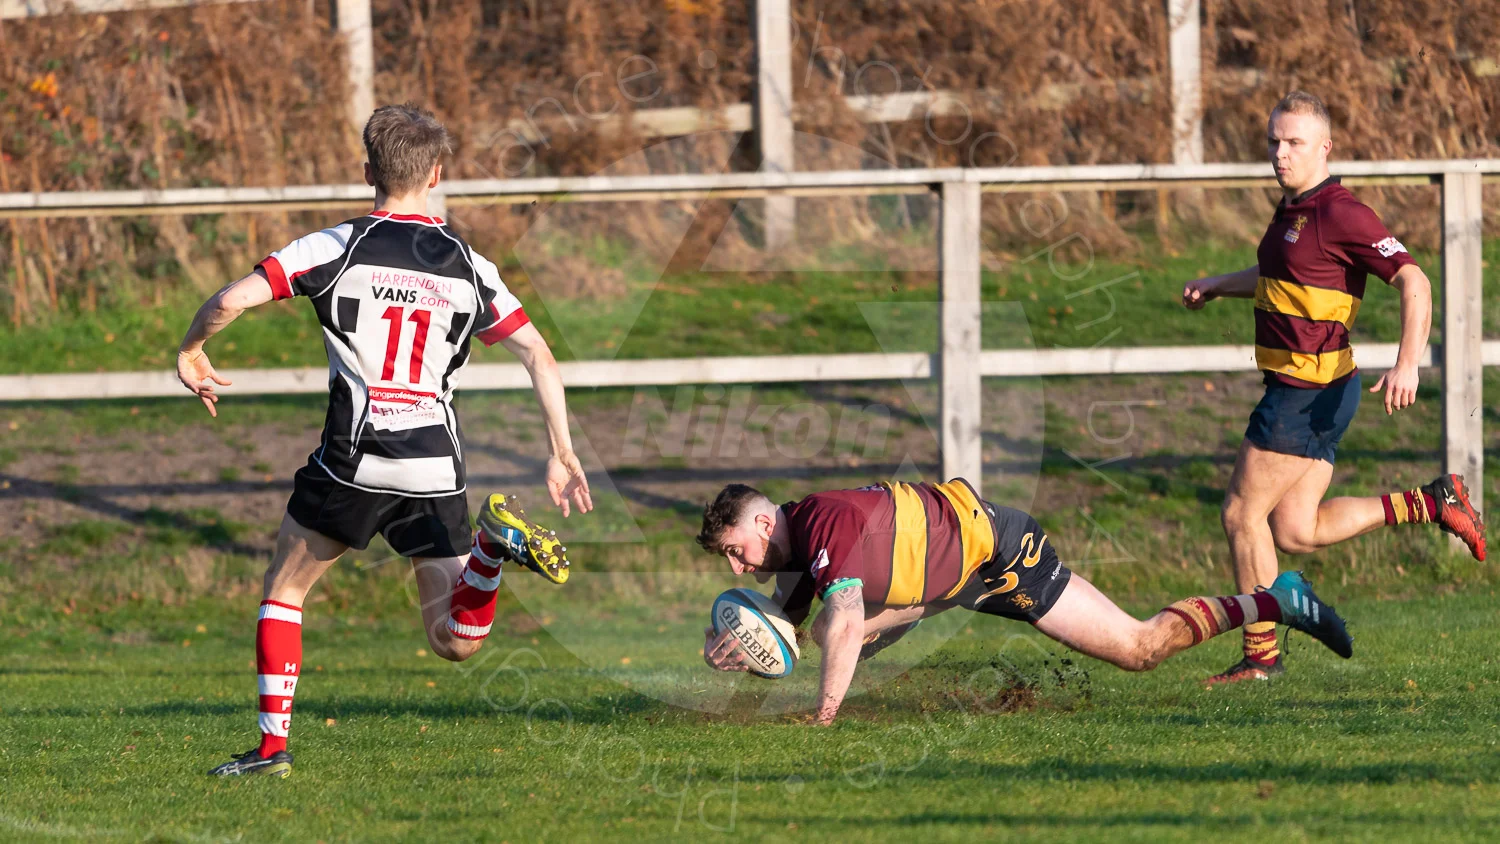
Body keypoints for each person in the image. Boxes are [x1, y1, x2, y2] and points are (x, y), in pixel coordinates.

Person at [178, 104, 593, 778]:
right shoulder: (469, 265)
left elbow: (230, 300)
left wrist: (194, 346)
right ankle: (489, 553)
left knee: (284, 592)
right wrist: (562, 451)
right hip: (435, 471)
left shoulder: (333, 247)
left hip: (355, 462)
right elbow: (539, 357)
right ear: (436, 173)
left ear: (368, 169)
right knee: (453, 642)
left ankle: (271, 750)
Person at [1180, 91, 1484, 685]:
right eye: (1273, 141)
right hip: (1323, 387)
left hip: (1304, 391)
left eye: (1293, 143)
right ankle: (1433, 502)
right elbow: (1278, 277)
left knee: (1242, 514)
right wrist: (1218, 284)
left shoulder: (1340, 212)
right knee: (1297, 529)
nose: (1279, 153)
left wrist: (1408, 363)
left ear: (1325, 147)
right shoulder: (1294, 208)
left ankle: (1260, 660)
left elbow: (1414, 281)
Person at [696, 481, 1352, 726]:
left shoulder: (826, 525)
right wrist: (741, 652)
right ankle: (1273, 600)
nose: (737, 568)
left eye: (735, 551)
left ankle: (1273, 600)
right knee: (838, 636)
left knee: (1138, 647)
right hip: (955, 578)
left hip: (1001, 554)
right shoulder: (800, 551)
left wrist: (825, 715)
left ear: (760, 525)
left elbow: (839, 619)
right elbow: (788, 631)